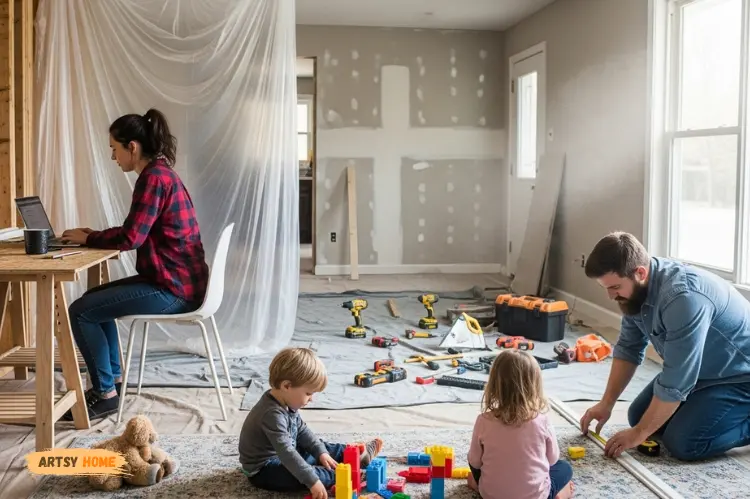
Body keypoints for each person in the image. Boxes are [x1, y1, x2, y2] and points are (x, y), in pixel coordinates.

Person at [60, 108, 209, 420]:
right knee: (92, 302)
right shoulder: (161, 172)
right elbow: (135, 233)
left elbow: (131, 238)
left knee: (81, 311)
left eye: (114, 148)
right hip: (176, 281)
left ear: (132, 147)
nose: (113, 157)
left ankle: (105, 394)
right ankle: (111, 384)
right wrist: (92, 236)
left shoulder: (153, 179)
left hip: (174, 289)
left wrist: (88, 239)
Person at [580, 231, 750, 461]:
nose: (611, 296)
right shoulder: (636, 292)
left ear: (639, 273)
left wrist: (639, 434)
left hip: (739, 377)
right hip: (703, 371)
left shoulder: (683, 298)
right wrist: (606, 403)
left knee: (684, 443)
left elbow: (677, 380)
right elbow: (629, 348)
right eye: (606, 288)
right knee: (637, 415)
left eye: (615, 287)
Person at [239, 347, 383, 499]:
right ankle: (342, 476)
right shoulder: (271, 414)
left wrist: (321, 453)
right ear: (287, 386)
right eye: (308, 393)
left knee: (318, 447)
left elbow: (301, 431)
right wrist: (312, 480)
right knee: (304, 474)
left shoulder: (285, 400)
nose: (311, 399)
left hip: (286, 452)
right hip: (264, 469)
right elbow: (287, 453)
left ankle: (357, 455)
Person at [467, 349, 575, 499]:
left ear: (494, 385)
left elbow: (475, 461)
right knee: (564, 468)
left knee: (475, 464)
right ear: (534, 386)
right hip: (534, 496)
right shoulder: (542, 420)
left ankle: (481, 485)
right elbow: (552, 459)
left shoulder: (483, 420)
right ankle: (559, 494)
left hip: (491, 495)